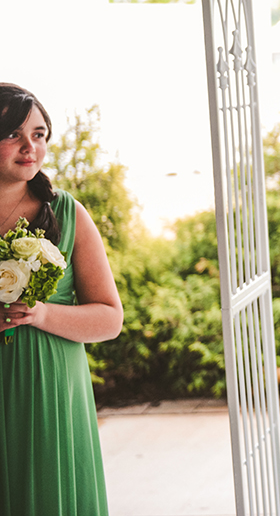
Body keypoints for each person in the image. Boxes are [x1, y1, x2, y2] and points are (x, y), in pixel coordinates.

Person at [0, 83, 124, 515]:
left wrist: (40, 313)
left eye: (38, 134)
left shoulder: (69, 214)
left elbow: (110, 319)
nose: (29, 146)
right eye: (12, 134)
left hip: (49, 390)